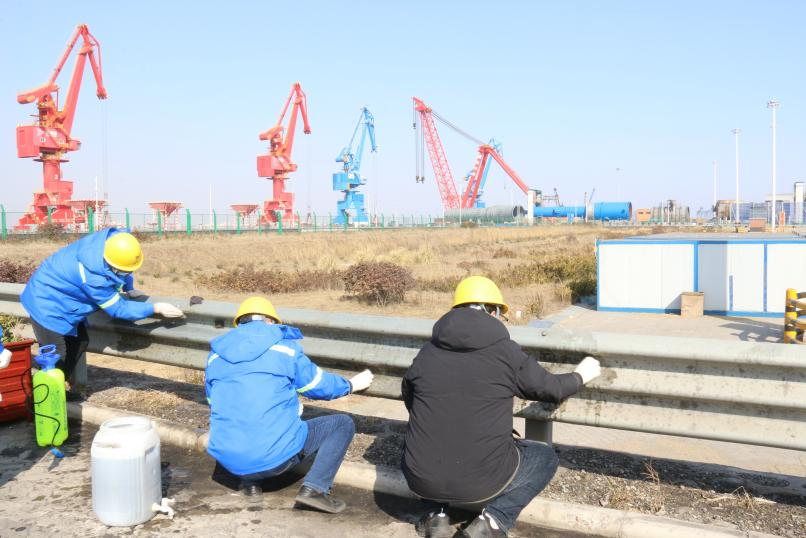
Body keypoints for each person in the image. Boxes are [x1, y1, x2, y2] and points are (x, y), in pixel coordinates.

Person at [401, 276, 601, 538]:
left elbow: (411, 400)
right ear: (493, 311)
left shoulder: (428, 351)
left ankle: (434, 516)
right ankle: (492, 522)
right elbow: (551, 389)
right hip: (483, 483)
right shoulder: (505, 352)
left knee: (423, 443)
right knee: (544, 457)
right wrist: (580, 375)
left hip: (421, 478)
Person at [204, 296, 374, 513]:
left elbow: (214, 401)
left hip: (230, 462)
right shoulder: (284, 349)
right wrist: (350, 385)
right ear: (270, 321)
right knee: (342, 424)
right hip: (276, 461)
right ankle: (315, 490)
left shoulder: (215, 356)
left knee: (242, 416)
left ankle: (250, 484)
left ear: (239, 323)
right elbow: (318, 385)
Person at [21, 228, 184, 399]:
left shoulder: (116, 239)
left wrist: (129, 287)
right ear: (108, 261)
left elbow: (123, 267)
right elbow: (119, 309)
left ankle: (56, 390)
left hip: (63, 296)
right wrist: (155, 308)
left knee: (80, 342)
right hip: (45, 303)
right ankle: (43, 398)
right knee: (57, 357)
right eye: (121, 271)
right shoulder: (93, 278)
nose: (126, 274)